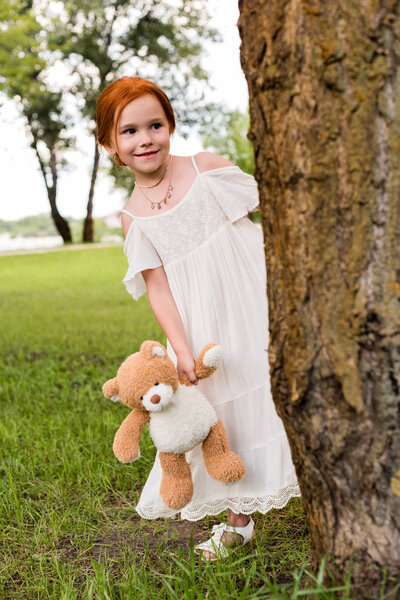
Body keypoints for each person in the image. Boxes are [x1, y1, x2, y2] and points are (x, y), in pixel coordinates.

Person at [96, 76, 300, 561]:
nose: (145, 138)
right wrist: (180, 347)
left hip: (254, 296)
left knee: (282, 384)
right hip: (205, 321)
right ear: (110, 144)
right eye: (129, 131)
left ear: (170, 126)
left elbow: (278, 210)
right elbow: (159, 287)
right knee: (223, 409)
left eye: (155, 125)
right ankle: (239, 519)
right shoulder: (132, 216)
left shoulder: (206, 169)